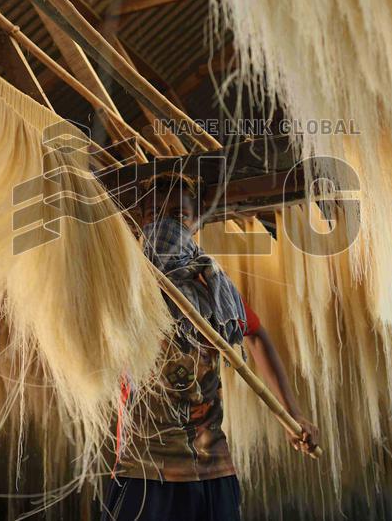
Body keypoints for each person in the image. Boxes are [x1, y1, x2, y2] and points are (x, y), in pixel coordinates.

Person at [101, 174, 319, 521]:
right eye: (157, 213)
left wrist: (292, 413)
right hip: (142, 467)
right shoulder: (127, 286)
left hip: (210, 468)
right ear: (142, 219)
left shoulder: (213, 289)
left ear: (194, 222)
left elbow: (257, 335)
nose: (169, 224)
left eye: (179, 215)